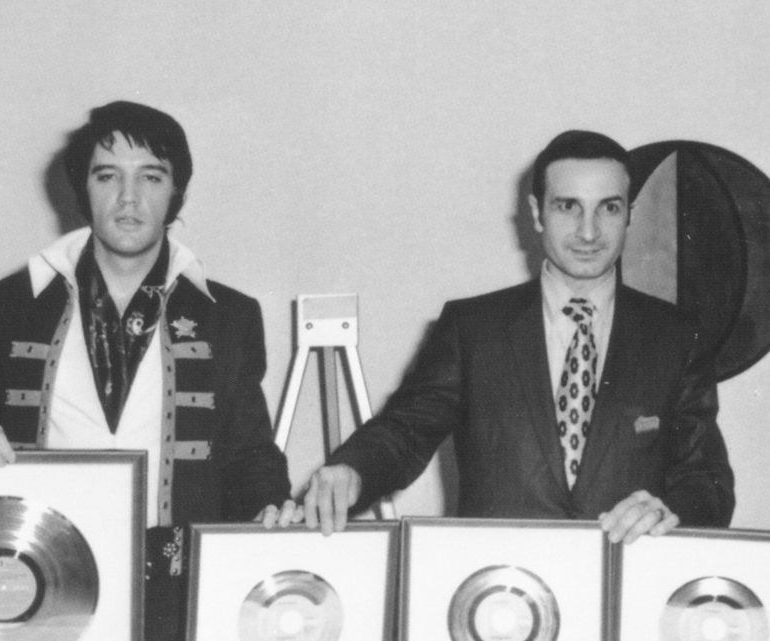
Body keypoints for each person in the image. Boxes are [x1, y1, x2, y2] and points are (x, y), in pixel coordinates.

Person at [0, 100, 292, 641]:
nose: (129, 198)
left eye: (151, 176)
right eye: (108, 175)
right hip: (38, 590)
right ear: (82, 188)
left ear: (175, 192)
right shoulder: (1, 308)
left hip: (176, 594)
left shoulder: (231, 317)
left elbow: (250, 455)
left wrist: (270, 513)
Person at [294, 130, 733, 545]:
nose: (588, 231)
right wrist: (352, 469)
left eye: (609, 207)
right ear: (537, 212)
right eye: (567, 206)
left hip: (626, 587)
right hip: (497, 596)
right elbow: (405, 432)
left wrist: (670, 510)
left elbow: (707, 479)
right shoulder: (472, 329)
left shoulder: (676, 337)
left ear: (630, 214)